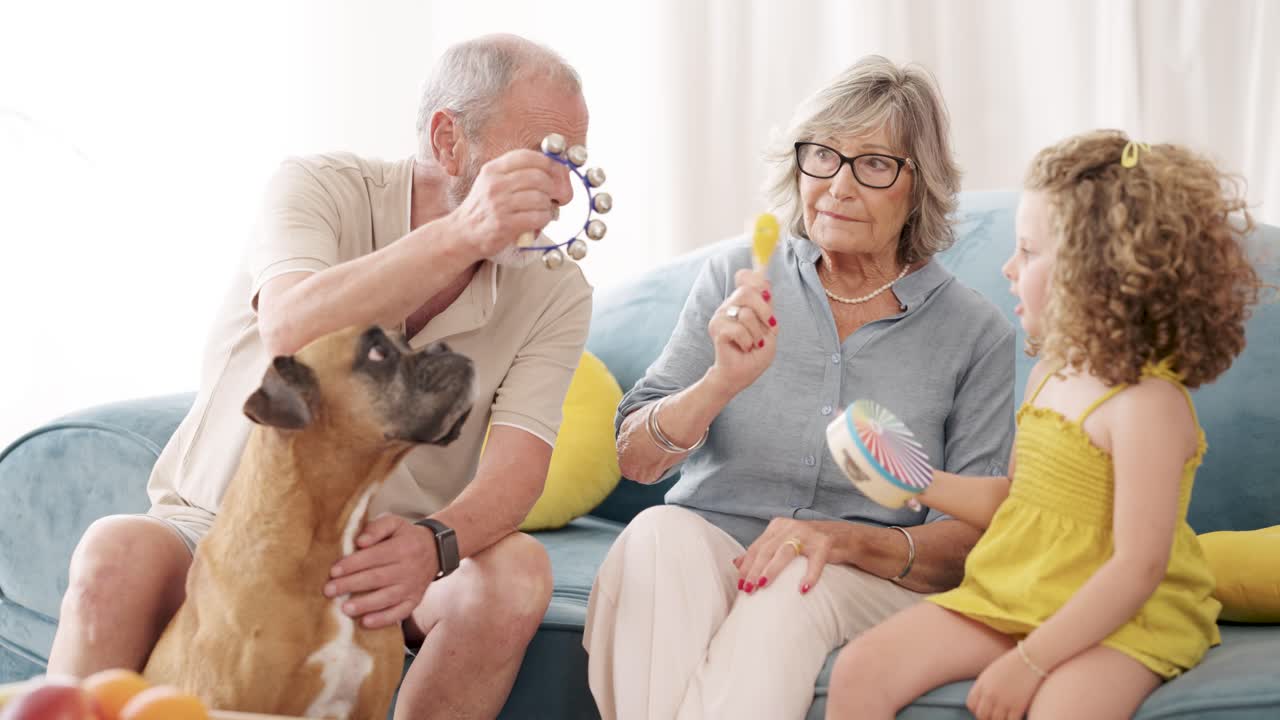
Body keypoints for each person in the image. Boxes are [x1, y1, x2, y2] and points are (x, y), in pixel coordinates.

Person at [48, 34, 593, 719]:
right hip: (219, 528)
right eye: (542, 156)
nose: (560, 188)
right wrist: (464, 233)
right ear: (448, 141)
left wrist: (435, 542)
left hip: (382, 553)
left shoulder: (557, 287)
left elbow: (519, 467)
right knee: (113, 552)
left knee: (515, 575)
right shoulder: (316, 187)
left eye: (571, 161)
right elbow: (291, 329)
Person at [583, 56, 1015, 719]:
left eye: (873, 165)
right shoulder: (739, 275)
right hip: (713, 549)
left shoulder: (974, 333)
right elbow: (637, 460)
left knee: (792, 583)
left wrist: (840, 539)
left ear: (916, 186)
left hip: (861, 576)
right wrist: (718, 382)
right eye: (823, 157)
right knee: (656, 535)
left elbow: (969, 543)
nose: (838, 186)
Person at [826, 130, 1263, 719]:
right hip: (1024, 590)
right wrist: (918, 481)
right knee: (861, 669)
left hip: (1122, 617)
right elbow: (1017, 501)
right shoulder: (1049, 374)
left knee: (1062, 709)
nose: (1007, 267)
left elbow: (1138, 568)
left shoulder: (1148, 406)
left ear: (1099, 272)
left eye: (1028, 251)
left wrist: (1031, 662)